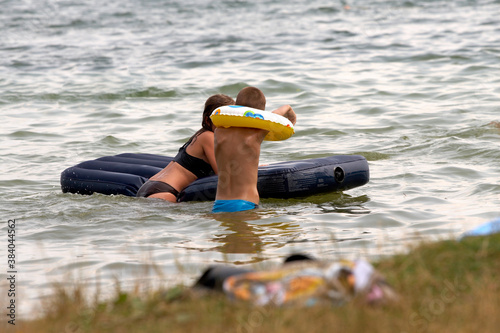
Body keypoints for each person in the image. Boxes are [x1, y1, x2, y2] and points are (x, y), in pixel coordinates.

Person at [212, 87, 296, 213]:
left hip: (218, 204)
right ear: (261, 113)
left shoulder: (218, 132)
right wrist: (288, 108)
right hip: (245, 204)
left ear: (236, 106)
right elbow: (274, 116)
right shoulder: (255, 135)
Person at [136, 94, 235, 202]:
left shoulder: (201, 135)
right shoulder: (209, 137)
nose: (228, 125)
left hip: (153, 186)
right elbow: (222, 174)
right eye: (223, 120)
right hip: (164, 192)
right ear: (207, 120)